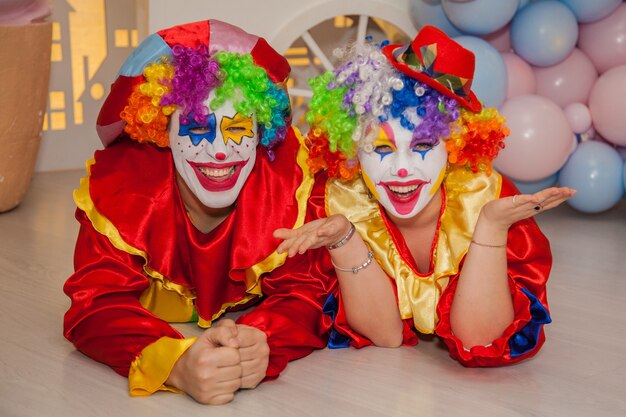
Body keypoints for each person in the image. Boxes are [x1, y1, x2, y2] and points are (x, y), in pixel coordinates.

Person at [63, 20, 335, 405]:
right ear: (162, 132)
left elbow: (307, 291)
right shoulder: (125, 192)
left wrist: (263, 339)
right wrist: (174, 362)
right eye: (195, 129)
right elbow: (94, 304)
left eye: (238, 127)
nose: (220, 151)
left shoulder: (288, 185)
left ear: (261, 133)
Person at [275, 25, 575, 366]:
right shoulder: (343, 203)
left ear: (454, 145)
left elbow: (479, 339)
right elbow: (385, 336)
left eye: (422, 145)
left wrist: (490, 228)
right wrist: (345, 238)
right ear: (354, 154)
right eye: (382, 148)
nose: (402, 170)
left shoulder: (482, 197)